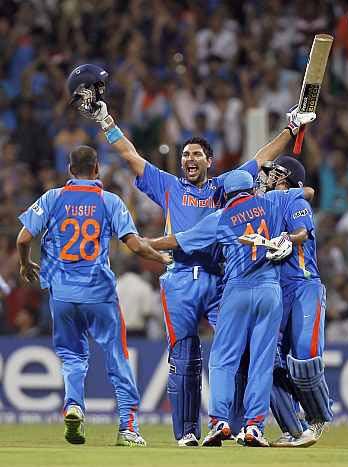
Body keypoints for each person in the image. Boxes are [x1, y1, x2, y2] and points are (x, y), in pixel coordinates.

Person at [67, 63, 316, 446]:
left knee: (245, 355)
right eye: (185, 155)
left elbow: (263, 157)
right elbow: (130, 155)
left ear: (209, 160)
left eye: (196, 154)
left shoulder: (223, 188)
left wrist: (291, 128)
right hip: (181, 279)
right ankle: (187, 433)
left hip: (223, 280)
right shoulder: (167, 186)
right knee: (184, 359)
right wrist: (104, 118)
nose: (189, 159)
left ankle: (266, 426)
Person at [146, 170, 314, 447]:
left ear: (227, 193)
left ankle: (220, 421)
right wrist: (287, 235)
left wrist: (143, 243)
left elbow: (176, 241)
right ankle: (253, 427)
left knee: (223, 360)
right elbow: (307, 193)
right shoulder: (271, 201)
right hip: (269, 290)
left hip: (236, 289)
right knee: (261, 363)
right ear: (250, 188)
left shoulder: (220, 216)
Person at [16, 145, 170, 447]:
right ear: (97, 168)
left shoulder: (53, 197)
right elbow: (136, 246)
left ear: (70, 170)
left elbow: (23, 237)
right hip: (98, 293)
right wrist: (162, 257)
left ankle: (73, 406)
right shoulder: (109, 201)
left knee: (72, 357)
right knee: (117, 356)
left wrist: (25, 263)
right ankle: (127, 428)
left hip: (61, 294)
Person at [261, 155, 333, 447]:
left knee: (303, 360)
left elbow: (302, 232)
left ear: (287, 178)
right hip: (274, 292)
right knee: (265, 364)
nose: (266, 178)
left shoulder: (295, 201)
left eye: (273, 173)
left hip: (304, 286)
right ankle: (294, 428)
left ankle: (318, 417)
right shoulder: (264, 207)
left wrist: (287, 239)